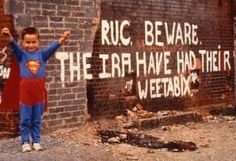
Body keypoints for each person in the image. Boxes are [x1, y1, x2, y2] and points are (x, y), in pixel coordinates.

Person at [1, 27, 70, 152]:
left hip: (38, 92)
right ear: (22, 42)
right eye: (27, 42)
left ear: (38, 42)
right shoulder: (21, 55)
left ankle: (36, 141)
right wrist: (8, 35)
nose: (31, 45)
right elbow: (14, 45)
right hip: (25, 92)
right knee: (25, 119)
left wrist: (63, 38)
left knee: (37, 118)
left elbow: (52, 47)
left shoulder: (42, 55)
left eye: (34, 42)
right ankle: (25, 142)